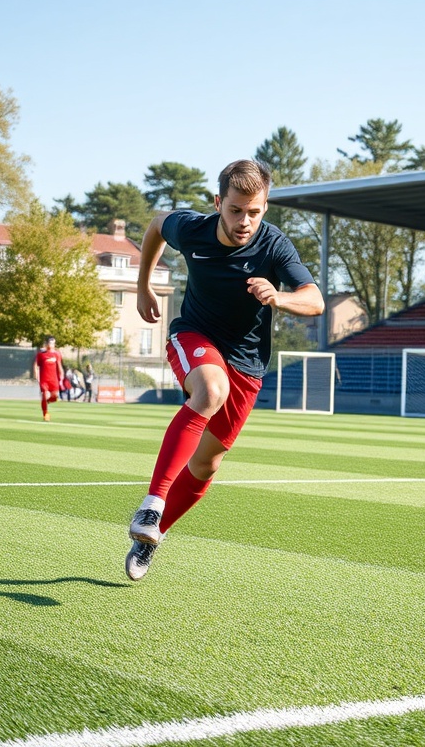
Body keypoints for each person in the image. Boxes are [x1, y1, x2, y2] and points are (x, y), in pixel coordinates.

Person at [125, 159, 325, 581]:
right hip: (194, 336)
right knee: (210, 392)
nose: (245, 221)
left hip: (248, 363)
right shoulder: (193, 229)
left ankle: (150, 537)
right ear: (219, 203)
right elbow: (157, 224)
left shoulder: (274, 246)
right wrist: (142, 285)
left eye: (255, 211)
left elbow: (315, 299)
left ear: (265, 207)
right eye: (236, 210)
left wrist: (278, 298)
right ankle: (152, 503)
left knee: (206, 466)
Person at [33, 336, 64, 421]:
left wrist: (61, 374)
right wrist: (36, 374)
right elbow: (36, 365)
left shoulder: (57, 354)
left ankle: (47, 402)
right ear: (46, 344)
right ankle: (45, 414)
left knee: (55, 396)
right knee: (45, 395)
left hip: (54, 380)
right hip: (44, 380)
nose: (51, 344)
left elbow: (59, 364)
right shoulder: (41, 354)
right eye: (50, 342)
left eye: (53, 343)